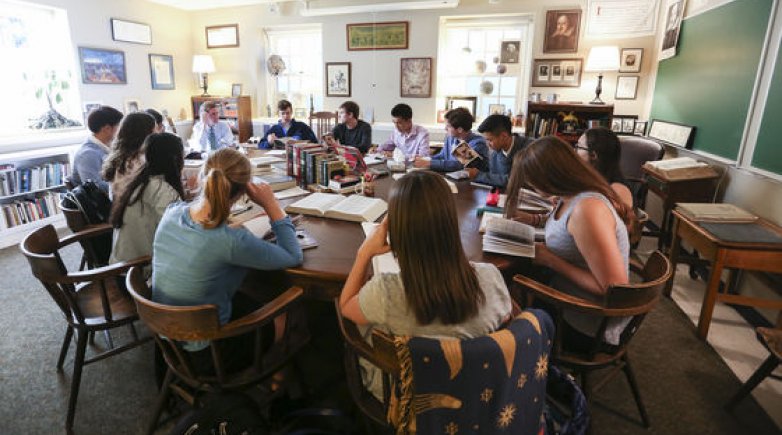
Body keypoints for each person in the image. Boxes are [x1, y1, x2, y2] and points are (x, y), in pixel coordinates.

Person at [339, 171, 512, 399]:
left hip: (405, 402)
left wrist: (364, 253)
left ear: (396, 230)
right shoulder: (490, 277)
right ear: (451, 222)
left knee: (366, 326)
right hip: (475, 396)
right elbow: (507, 318)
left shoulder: (385, 292)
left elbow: (346, 306)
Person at [152, 148, 303, 372]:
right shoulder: (232, 242)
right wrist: (271, 205)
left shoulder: (173, 212)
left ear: (204, 177)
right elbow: (293, 255)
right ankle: (277, 379)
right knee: (291, 310)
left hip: (166, 335)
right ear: (243, 193)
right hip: (206, 353)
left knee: (251, 290)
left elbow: (206, 237)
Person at [504, 136, 630, 351]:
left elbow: (614, 288)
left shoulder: (587, 210)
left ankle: (524, 370)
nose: (530, 185)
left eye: (531, 180)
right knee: (505, 288)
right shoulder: (569, 197)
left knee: (501, 311)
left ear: (551, 175)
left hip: (586, 322)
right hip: (566, 297)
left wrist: (550, 259)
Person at [109, 133, 185, 267]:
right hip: (140, 272)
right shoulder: (162, 191)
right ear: (174, 159)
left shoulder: (137, 181)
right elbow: (177, 236)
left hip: (121, 264)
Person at [102, 111, 157, 199]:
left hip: (119, 209)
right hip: (134, 209)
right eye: (155, 130)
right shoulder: (138, 161)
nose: (157, 134)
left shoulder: (120, 157)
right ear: (147, 134)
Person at [414, 107, 488, 172]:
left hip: (471, 182)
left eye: (448, 126)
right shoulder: (451, 138)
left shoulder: (477, 143)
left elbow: (459, 165)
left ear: (460, 129)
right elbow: (442, 156)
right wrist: (426, 159)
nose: (445, 129)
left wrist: (430, 163)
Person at [468, 114, 532, 188]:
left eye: (490, 140)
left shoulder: (530, 149)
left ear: (504, 136)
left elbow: (516, 181)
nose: (487, 144)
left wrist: (479, 175)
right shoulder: (495, 153)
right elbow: (492, 176)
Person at [71, 105, 123, 193]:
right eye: (120, 126)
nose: (122, 129)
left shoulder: (107, 146)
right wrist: (125, 185)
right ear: (107, 129)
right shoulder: (87, 155)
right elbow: (94, 187)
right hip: (101, 203)